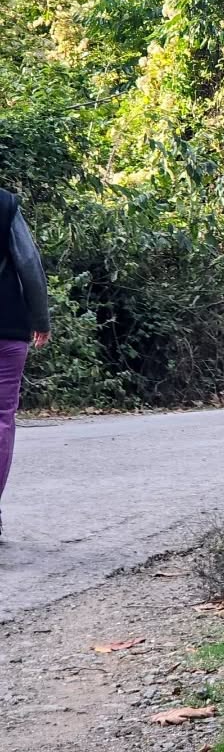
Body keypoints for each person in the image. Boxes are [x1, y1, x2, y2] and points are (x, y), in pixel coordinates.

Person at [0, 189, 50, 540]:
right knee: (1, 420)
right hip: (7, 327)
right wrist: (41, 319)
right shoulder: (4, 204)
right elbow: (29, 263)